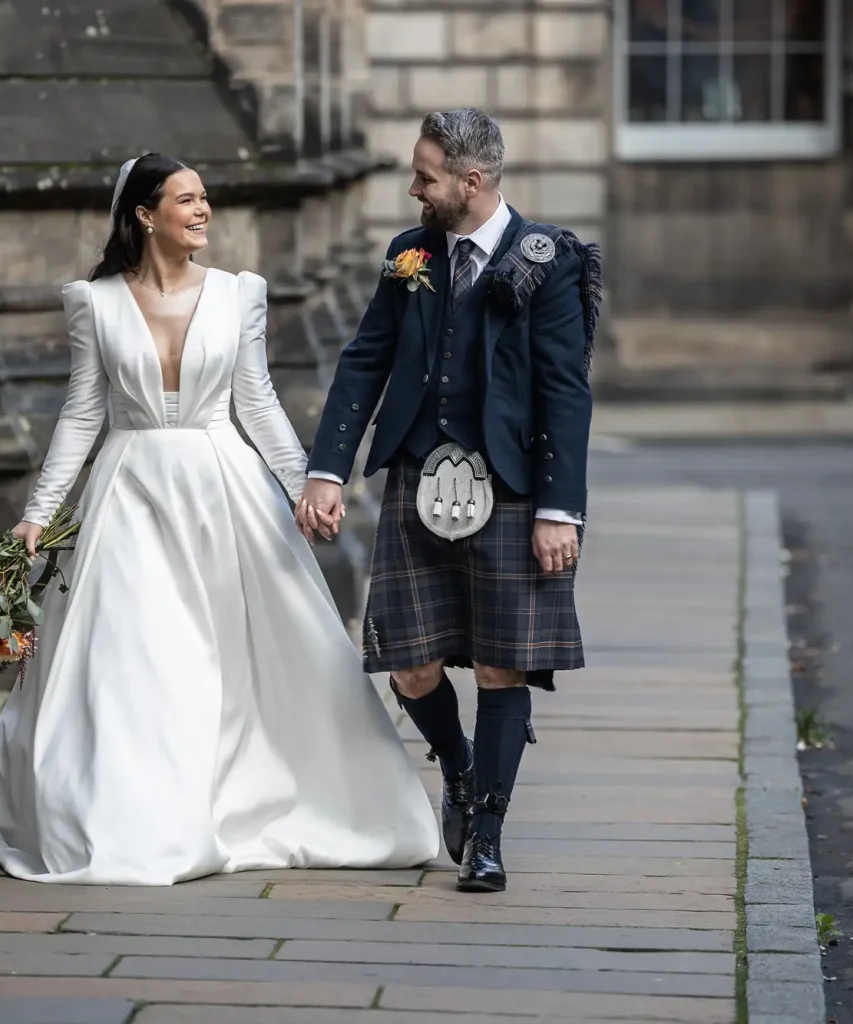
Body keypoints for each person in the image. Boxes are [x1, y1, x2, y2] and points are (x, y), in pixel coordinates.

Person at [0, 153, 440, 884]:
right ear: (144, 213)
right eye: (187, 199)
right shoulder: (95, 303)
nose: (203, 211)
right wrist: (38, 515)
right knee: (136, 657)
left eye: (206, 199)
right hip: (128, 496)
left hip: (223, 491)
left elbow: (255, 400)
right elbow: (81, 413)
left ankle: (245, 799)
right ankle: (133, 818)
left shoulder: (238, 295)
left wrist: (303, 483)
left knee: (230, 656)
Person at [297, 108, 601, 893]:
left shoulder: (550, 261)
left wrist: (560, 511)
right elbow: (364, 364)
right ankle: (457, 766)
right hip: (415, 477)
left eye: (425, 176)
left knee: (504, 667)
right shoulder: (410, 256)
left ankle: (489, 835)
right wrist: (327, 469)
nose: (413, 188)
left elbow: (565, 391)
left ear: (471, 182)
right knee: (409, 662)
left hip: (508, 487)